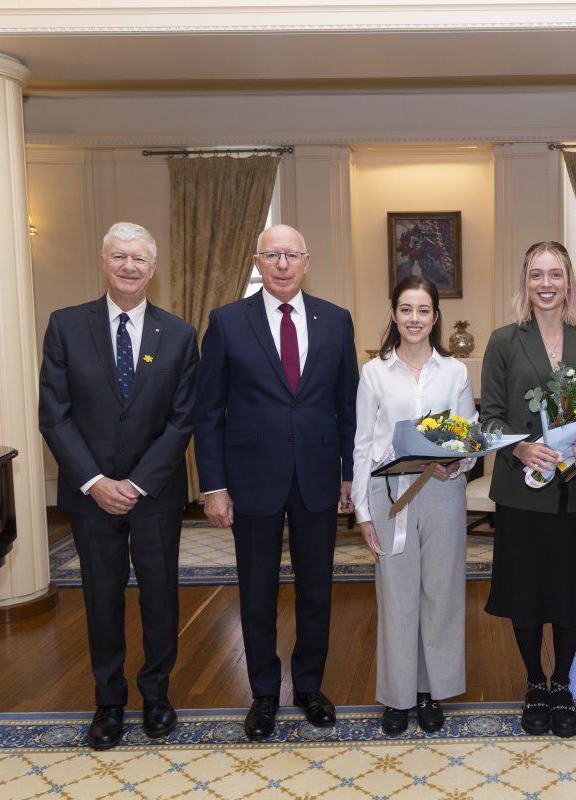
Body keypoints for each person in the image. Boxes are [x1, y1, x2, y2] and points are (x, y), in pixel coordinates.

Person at [194, 224, 359, 741]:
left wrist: (350, 474)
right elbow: (207, 412)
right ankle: (264, 693)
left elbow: (347, 406)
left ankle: (308, 686)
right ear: (256, 261)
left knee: (317, 589)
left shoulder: (335, 320)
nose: (282, 264)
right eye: (273, 255)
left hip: (317, 478)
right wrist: (213, 485)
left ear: (306, 261)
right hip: (250, 481)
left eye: (291, 255)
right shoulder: (226, 322)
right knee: (258, 591)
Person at [39, 221, 199, 750]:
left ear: (153, 269)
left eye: (139, 259)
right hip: (90, 498)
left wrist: (134, 483)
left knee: (160, 598)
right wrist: (94, 482)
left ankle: (156, 696)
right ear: (103, 262)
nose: (129, 266)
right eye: (119, 257)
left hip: (154, 494)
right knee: (101, 599)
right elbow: (54, 416)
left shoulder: (178, 334)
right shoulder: (65, 326)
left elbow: (182, 420)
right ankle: (109, 703)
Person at [480, 241, 576, 738]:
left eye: (555, 274)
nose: (546, 284)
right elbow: (489, 418)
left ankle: (562, 683)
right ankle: (534, 681)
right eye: (536, 275)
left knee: (570, 591)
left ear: (569, 281)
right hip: (522, 492)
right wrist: (517, 450)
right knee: (528, 592)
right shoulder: (503, 341)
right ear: (525, 281)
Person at [352, 276, 474, 736]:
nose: (415, 319)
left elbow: (469, 436)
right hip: (391, 496)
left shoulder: (455, 372)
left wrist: (456, 465)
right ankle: (398, 696)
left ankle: (430, 691)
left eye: (423, 310)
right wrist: (363, 513)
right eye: (406, 309)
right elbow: (363, 445)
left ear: (435, 317)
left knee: (440, 595)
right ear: (394, 314)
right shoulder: (374, 373)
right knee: (397, 596)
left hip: (442, 492)